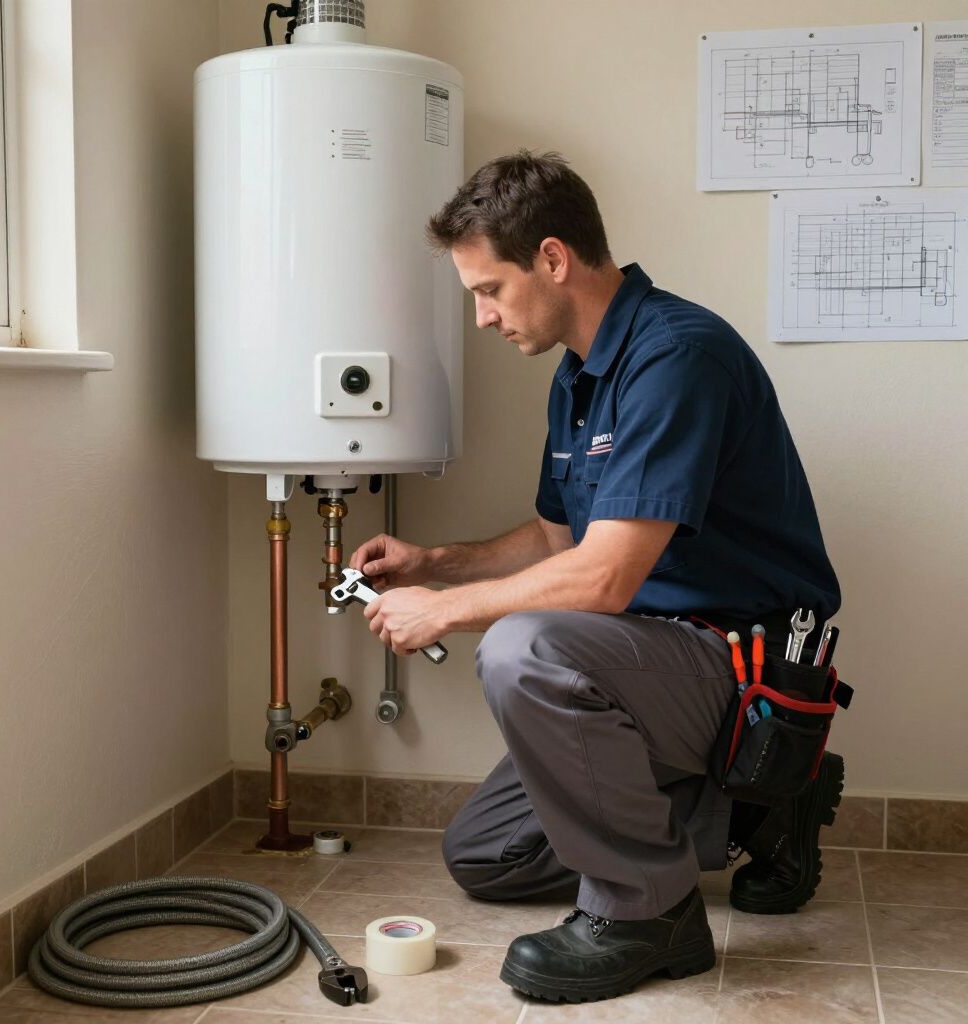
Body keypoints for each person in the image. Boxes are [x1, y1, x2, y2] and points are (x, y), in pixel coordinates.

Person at [348, 151, 843, 1003]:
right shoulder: (578, 376)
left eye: (489, 289)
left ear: (551, 258)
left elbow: (605, 578)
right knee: (485, 855)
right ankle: (760, 806)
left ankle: (652, 915)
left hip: (739, 666)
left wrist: (447, 610)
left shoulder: (677, 357)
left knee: (522, 651)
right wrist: (434, 563)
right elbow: (556, 540)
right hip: (643, 667)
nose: (482, 317)